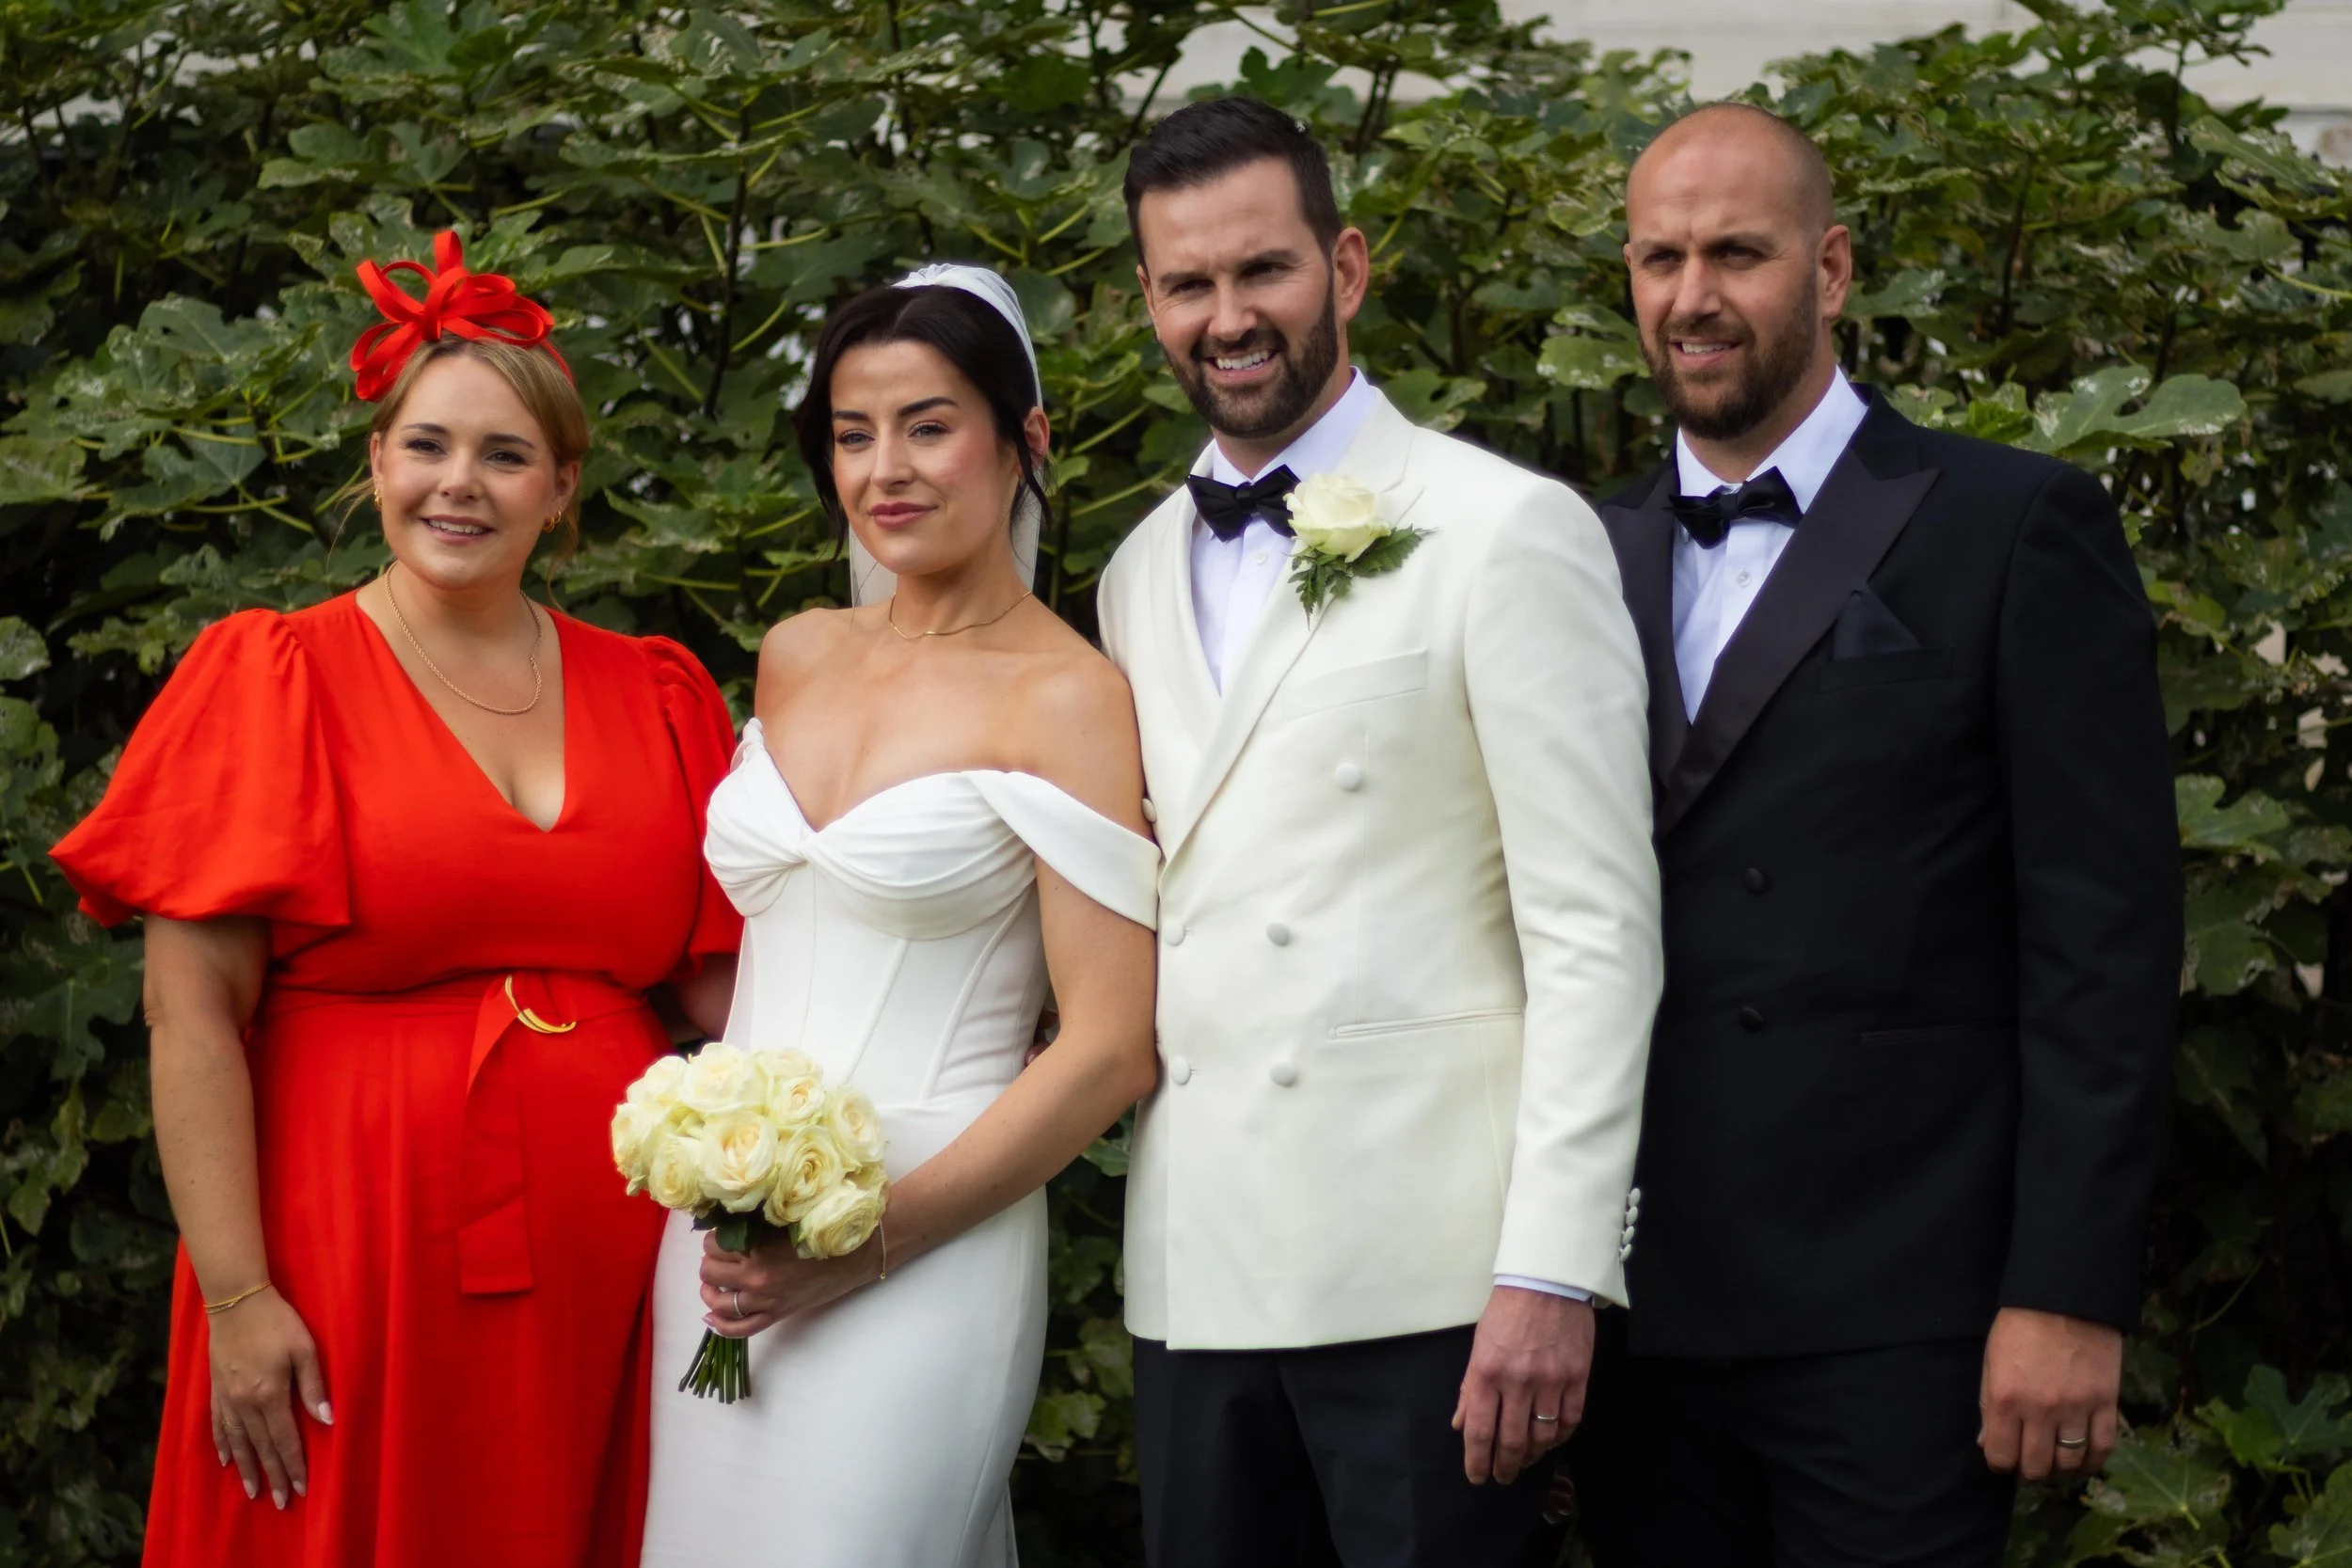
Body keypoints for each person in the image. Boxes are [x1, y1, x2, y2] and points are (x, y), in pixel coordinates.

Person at [48, 230, 742, 1568]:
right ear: (376, 463)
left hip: (609, 1262)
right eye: (426, 445)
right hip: (344, 1242)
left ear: (563, 486)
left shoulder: (655, 691)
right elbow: (189, 1012)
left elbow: (726, 987)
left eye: (503, 454)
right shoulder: (274, 676)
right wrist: (242, 1295)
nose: (458, 485)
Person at [1567, 104, 2181, 1566]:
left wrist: (2069, 1288)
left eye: (1739, 252)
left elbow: (2104, 936)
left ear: (1831, 268)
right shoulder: (1575, 552)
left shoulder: (2016, 522)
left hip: (1905, 1313)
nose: (1693, 295)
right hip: (1645, 1308)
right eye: (1661, 256)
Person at [1095, 97, 1662, 1568]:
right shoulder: (1135, 570)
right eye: (1188, 285)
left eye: (1263, 270)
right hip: (1197, 1278)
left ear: (1345, 267)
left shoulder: (1507, 528)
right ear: (1148, 303)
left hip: (1437, 1290)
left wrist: (1553, 1266)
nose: (1230, 316)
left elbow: (1595, 932)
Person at [637, 266, 1161, 1568]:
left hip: (927, 1239)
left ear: (1024, 438)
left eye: (929, 425)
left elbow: (1108, 1048)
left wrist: (865, 1244)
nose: (886, 470)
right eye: (853, 434)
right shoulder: (798, 650)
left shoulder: (1070, 697)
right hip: (717, 1230)